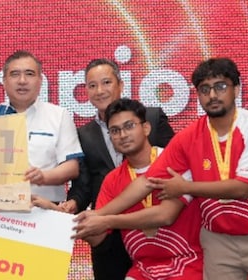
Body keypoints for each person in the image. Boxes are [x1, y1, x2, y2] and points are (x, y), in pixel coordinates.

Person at [90, 57, 248, 279]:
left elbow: (242, 189)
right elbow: (146, 181)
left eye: (220, 87)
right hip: (217, 240)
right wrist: (97, 215)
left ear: (236, 89)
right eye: (204, 89)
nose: (212, 95)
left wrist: (186, 187)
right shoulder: (187, 137)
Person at [65, 58, 176, 279]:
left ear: (121, 85)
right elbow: (83, 186)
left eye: (106, 82)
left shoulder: (151, 117)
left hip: (159, 229)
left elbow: (174, 166)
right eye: (92, 85)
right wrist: (72, 205)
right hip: (107, 235)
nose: (100, 91)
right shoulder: (83, 135)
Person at [72, 99, 204, 280]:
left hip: (187, 264)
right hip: (142, 270)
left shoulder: (173, 160)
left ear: (146, 128)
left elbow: (166, 215)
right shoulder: (111, 180)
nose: (123, 135)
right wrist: (74, 224)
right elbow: (99, 237)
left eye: (129, 126)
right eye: (115, 131)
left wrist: (107, 221)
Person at [0, 50, 83, 205]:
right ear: (4, 81)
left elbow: (72, 167)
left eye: (29, 74)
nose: (22, 81)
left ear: (40, 80)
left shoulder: (59, 115)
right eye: (15, 74)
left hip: (47, 208)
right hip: (1, 207)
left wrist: (43, 177)